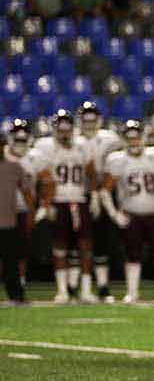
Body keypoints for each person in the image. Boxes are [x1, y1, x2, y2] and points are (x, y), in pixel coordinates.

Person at [100, 120, 154, 304]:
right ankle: (132, 292)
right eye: (130, 139)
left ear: (143, 138)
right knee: (132, 255)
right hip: (131, 213)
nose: (134, 142)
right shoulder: (117, 159)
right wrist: (114, 215)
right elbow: (105, 190)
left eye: (136, 138)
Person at [31, 110, 99, 304]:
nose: (64, 134)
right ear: (54, 130)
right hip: (58, 201)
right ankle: (62, 291)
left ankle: (85, 290)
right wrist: (46, 203)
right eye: (61, 130)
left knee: (85, 247)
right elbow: (43, 180)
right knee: (59, 247)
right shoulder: (45, 147)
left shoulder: (83, 146)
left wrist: (94, 196)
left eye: (67, 130)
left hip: (78, 200)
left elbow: (92, 173)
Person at [77, 101, 122, 302]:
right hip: (78, 194)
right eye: (85, 119)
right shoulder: (74, 140)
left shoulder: (109, 139)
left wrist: (101, 193)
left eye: (91, 119)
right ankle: (73, 285)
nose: (88, 123)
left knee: (103, 239)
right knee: (79, 240)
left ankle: (103, 285)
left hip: (104, 193)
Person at [4, 119, 46, 289]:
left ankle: (19, 283)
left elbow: (48, 182)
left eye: (23, 139)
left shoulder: (36, 157)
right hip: (4, 210)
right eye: (17, 138)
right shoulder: (3, 156)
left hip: (24, 210)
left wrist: (43, 206)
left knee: (21, 250)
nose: (20, 142)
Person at [0, 130, 36, 304]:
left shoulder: (14, 167)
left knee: (11, 262)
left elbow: (27, 191)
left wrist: (31, 212)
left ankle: (16, 295)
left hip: (8, 220)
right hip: (6, 219)